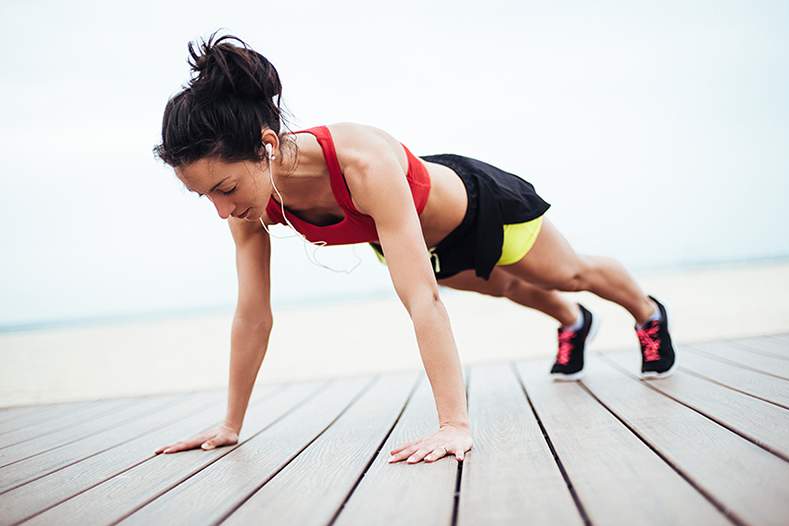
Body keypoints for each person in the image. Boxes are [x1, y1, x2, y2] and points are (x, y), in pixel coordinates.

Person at [152, 32, 677, 465]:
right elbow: (252, 316)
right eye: (205, 197)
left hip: (477, 207)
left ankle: (647, 314)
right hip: (412, 237)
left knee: (567, 273)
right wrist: (230, 423)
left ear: (266, 148)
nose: (222, 211)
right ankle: (572, 323)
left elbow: (421, 300)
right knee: (508, 286)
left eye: (224, 190)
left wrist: (454, 426)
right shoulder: (251, 203)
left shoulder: (362, 162)